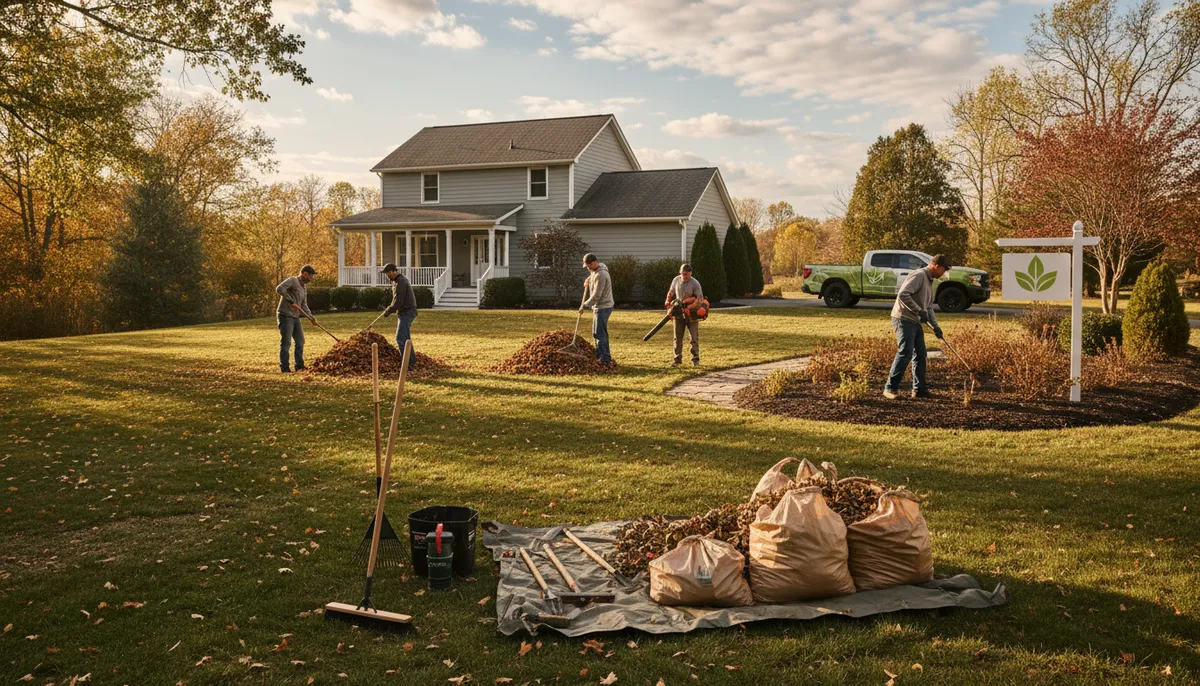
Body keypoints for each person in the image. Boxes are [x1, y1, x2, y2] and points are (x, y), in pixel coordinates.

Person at [884, 254, 951, 399]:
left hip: (915, 320)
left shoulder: (930, 280)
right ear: (936, 266)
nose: (944, 273)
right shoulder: (919, 275)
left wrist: (936, 327)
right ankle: (890, 388)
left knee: (920, 355)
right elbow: (903, 294)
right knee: (905, 352)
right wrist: (918, 310)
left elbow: (928, 307)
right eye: (943, 270)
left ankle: (919, 390)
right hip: (903, 318)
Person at [276, 265, 319, 373]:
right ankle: (284, 367)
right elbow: (279, 288)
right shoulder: (292, 280)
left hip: (295, 317)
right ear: (305, 274)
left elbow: (304, 305)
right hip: (285, 315)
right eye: (311, 276)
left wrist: (311, 317)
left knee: (300, 341)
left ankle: (299, 366)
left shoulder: (304, 287)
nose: (311, 278)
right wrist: (290, 300)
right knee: (286, 343)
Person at [665, 263, 704, 367]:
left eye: (686, 274)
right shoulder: (676, 280)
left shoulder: (695, 283)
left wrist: (689, 307)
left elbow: (700, 299)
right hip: (678, 310)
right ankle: (677, 359)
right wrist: (668, 302)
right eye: (682, 274)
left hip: (692, 312)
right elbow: (671, 292)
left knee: (693, 337)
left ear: (690, 273)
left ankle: (695, 359)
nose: (684, 276)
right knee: (677, 337)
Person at [579, 253, 614, 365]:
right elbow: (593, 274)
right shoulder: (596, 270)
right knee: (596, 332)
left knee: (600, 333)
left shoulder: (601, 275)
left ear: (594, 263)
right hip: (599, 306)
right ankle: (599, 355)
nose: (588, 268)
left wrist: (584, 305)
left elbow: (596, 296)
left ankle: (605, 359)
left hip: (603, 306)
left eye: (589, 266)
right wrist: (588, 279)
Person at [380, 263, 418, 358]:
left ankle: (408, 363)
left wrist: (388, 311)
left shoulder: (401, 282)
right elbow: (395, 300)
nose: (387, 275)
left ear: (395, 271)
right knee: (405, 337)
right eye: (386, 273)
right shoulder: (396, 281)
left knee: (401, 338)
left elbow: (398, 302)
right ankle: (410, 361)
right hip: (404, 312)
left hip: (408, 312)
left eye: (388, 272)